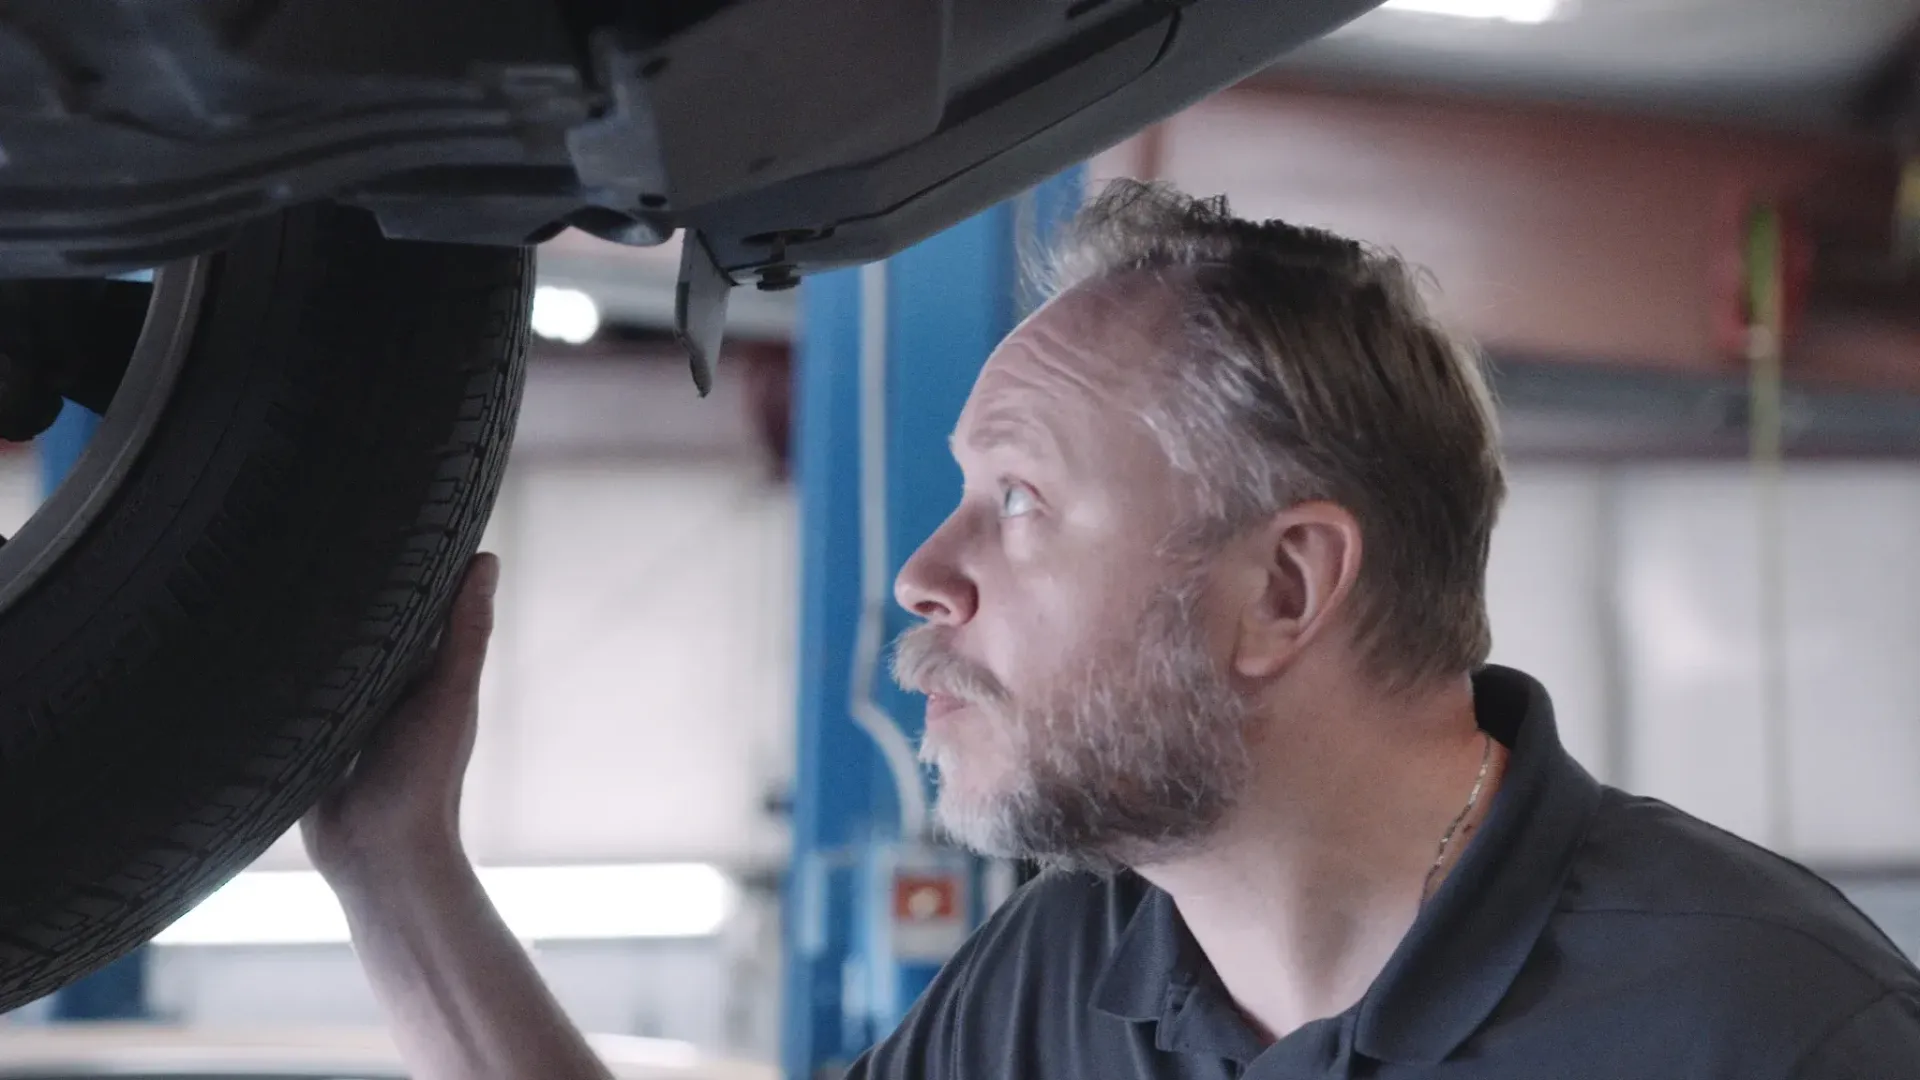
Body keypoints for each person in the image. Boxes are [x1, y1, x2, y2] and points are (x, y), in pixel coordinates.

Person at [304, 180, 1920, 1079]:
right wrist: (397, 868)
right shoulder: (1074, 982)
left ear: (1282, 591)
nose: (925, 577)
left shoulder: (1761, 1031)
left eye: (1017, 499)